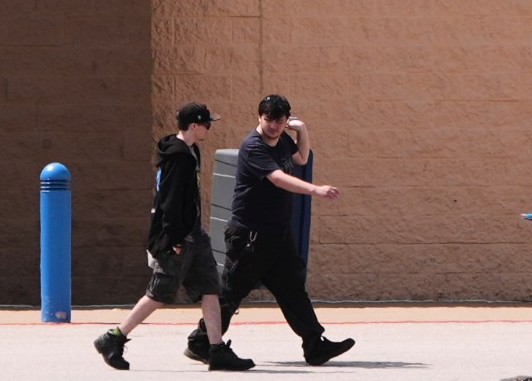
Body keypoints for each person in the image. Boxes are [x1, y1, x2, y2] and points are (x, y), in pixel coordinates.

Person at [189, 95, 354, 367]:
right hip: (250, 236)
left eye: (280, 121)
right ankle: (200, 341)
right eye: (269, 120)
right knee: (231, 292)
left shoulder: (283, 139)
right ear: (259, 117)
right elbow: (277, 179)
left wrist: (302, 130)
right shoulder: (253, 146)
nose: (274, 126)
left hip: (277, 234)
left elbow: (301, 157)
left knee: (292, 288)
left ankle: (315, 344)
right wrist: (315, 190)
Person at [94, 102, 255, 372]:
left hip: (194, 233)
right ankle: (113, 338)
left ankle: (216, 350)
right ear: (194, 125)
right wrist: (175, 239)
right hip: (178, 237)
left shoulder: (191, 150)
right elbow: (168, 201)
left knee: (210, 289)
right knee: (159, 293)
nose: (209, 128)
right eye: (207, 124)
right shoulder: (178, 157)